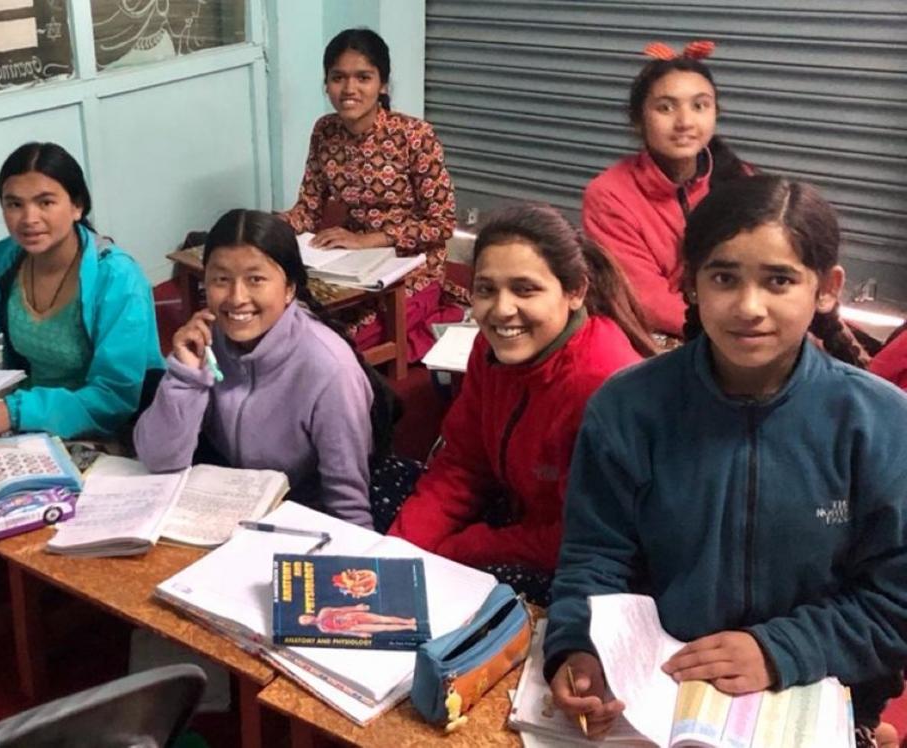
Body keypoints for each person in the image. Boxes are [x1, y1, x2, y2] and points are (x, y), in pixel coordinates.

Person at [545, 176, 907, 748]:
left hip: (815, 691)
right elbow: (595, 557)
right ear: (691, 283)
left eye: (780, 280)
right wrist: (576, 645)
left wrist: (779, 649)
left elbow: (894, 601)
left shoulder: (881, 423)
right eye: (724, 277)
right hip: (660, 692)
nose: (748, 307)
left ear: (827, 288)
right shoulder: (627, 406)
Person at [387, 203, 654, 603]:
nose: (501, 310)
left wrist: (455, 552)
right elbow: (462, 463)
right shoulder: (489, 348)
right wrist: (399, 551)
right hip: (520, 511)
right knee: (386, 498)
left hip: (587, 557)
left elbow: (583, 535)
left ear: (575, 291)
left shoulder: (603, 387)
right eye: (486, 289)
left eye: (525, 289)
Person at [134, 209, 394, 529]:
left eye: (255, 279)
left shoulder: (330, 370)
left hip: (298, 515)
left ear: (289, 288)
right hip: (225, 502)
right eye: (221, 279)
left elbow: (347, 505)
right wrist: (185, 377)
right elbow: (158, 462)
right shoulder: (206, 340)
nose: (237, 298)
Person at [0, 142, 164, 442]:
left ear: (77, 206)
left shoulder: (117, 277)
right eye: (14, 204)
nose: (29, 219)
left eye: (45, 202)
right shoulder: (6, 262)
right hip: (28, 415)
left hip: (109, 427)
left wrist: (12, 412)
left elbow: (114, 395)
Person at [281, 28, 461, 361]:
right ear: (326, 84)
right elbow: (307, 208)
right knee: (292, 322)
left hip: (411, 267)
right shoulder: (325, 130)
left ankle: (440, 315)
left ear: (383, 85)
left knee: (341, 344)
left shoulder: (415, 136)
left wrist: (371, 239)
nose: (349, 89)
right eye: (338, 78)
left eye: (363, 77)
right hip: (348, 265)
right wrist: (270, 227)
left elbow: (443, 223)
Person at [582, 40, 752, 339]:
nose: (685, 122)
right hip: (668, 347)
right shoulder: (610, 195)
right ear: (639, 119)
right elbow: (648, 302)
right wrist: (733, 330)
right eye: (665, 107)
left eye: (700, 106)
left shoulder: (742, 180)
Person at [297, 605, 417, 637]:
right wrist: (359, 634)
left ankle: (408, 621)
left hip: (352, 617)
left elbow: (341, 609)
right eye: (305, 621)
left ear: (308, 615)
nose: (307, 620)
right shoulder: (323, 629)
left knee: (383, 619)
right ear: (307, 625)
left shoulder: (323, 612)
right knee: (382, 627)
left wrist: (356, 608)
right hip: (353, 628)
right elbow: (342, 632)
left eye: (305, 617)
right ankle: (409, 627)